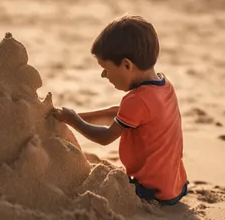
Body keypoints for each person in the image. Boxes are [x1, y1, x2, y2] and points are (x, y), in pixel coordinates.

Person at [53, 14, 188, 205]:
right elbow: (117, 113)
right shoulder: (163, 86)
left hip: (152, 191)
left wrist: (74, 121)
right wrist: (76, 116)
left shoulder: (137, 100)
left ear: (127, 65)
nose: (103, 75)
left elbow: (105, 137)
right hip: (174, 185)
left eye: (105, 69)